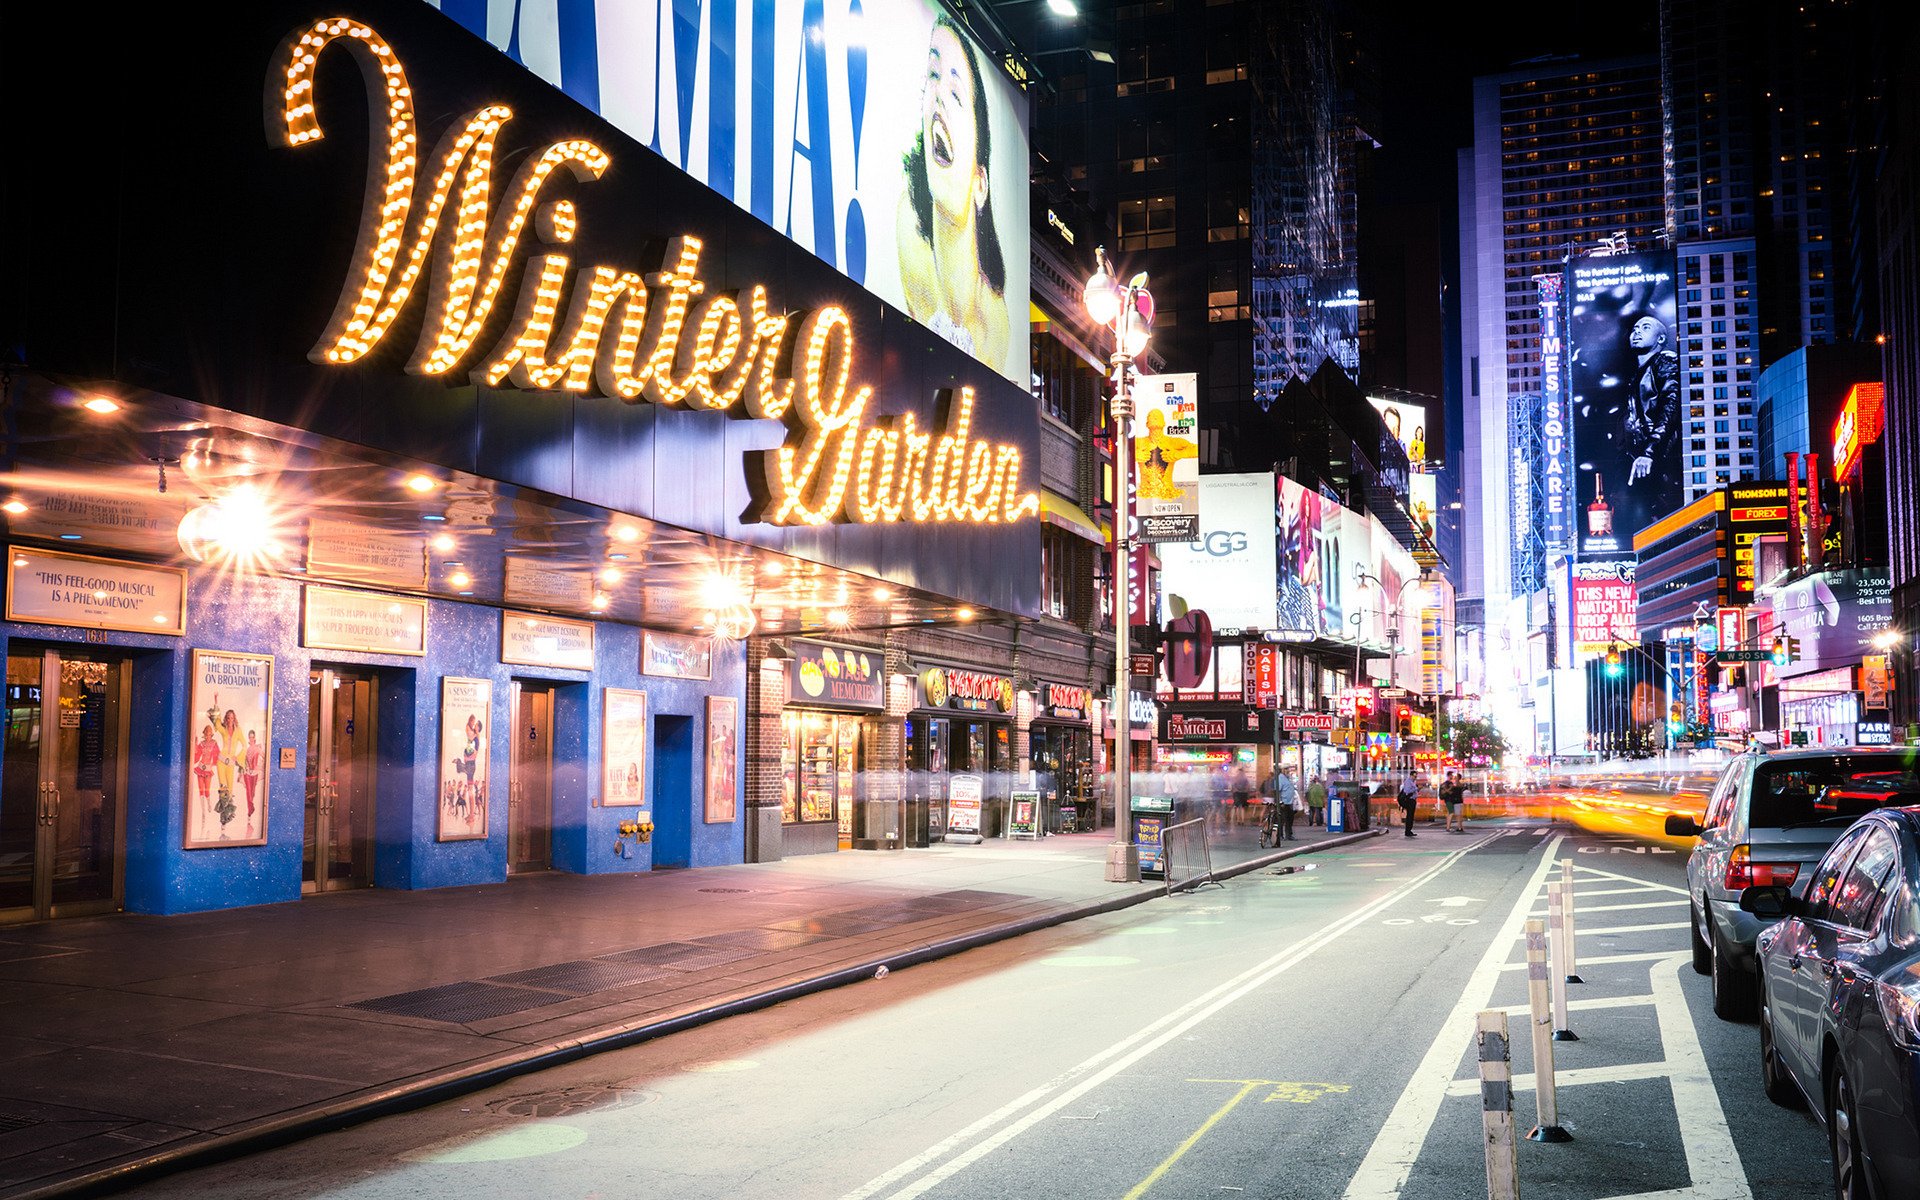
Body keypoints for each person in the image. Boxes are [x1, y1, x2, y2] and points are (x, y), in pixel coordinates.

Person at [897, 13, 1009, 371]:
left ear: (981, 184)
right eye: (933, 75)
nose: (939, 96)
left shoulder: (995, 328)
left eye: (957, 92)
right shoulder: (908, 233)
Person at [1624, 315, 1679, 486]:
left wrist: (1650, 451)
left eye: (1645, 327)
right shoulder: (1638, 373)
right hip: (1646, 459)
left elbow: (1671, 405)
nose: (1637, 332)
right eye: (1634, 329)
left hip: (1661, 457)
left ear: (1661, 338)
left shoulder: (1665, 360)